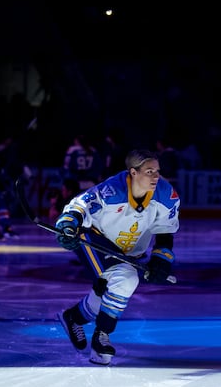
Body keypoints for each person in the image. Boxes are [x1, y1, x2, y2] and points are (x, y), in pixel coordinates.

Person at [55, 149, 181, 366]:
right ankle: (101, 337)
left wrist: (161, 259)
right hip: (96, 238)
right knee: (126, 279)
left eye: (157, 171)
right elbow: (80, 205)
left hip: (128, 251)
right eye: (149, 171)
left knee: (107, 288)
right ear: (133, 172)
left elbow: (165, 232)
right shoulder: (112, 190)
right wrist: (68, 224)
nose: (155, 176)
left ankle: (74, 317)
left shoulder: (165, 195)